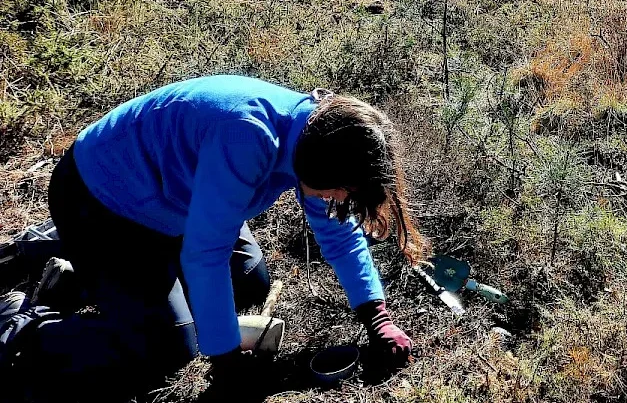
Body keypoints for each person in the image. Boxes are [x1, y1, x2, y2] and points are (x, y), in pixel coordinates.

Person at [0, 75, 425, 397]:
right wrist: (224, 362)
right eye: (341, 190)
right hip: (104, 202)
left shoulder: (317, 140)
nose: (339, 200)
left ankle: (80, 277)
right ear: (323, 168)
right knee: (167, 349)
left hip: (177, 205)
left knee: (250, 280)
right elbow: (206, 255)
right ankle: (24, 327)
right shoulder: (249, 136)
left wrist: (378, 318)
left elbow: (338, 234)